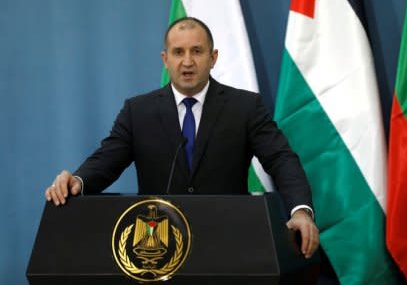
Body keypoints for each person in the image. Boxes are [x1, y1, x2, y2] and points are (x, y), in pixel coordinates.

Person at [45, 17, 319, 259]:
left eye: (197, 51)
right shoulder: (138, 111)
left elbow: (281, 160)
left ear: (213, 58)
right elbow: (107, 160)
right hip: (159, 248)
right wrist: (78, 180)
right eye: (178, 52)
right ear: (165, 59)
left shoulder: (244, 107)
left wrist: (301, 211)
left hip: (229, 245)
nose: (187, 62)